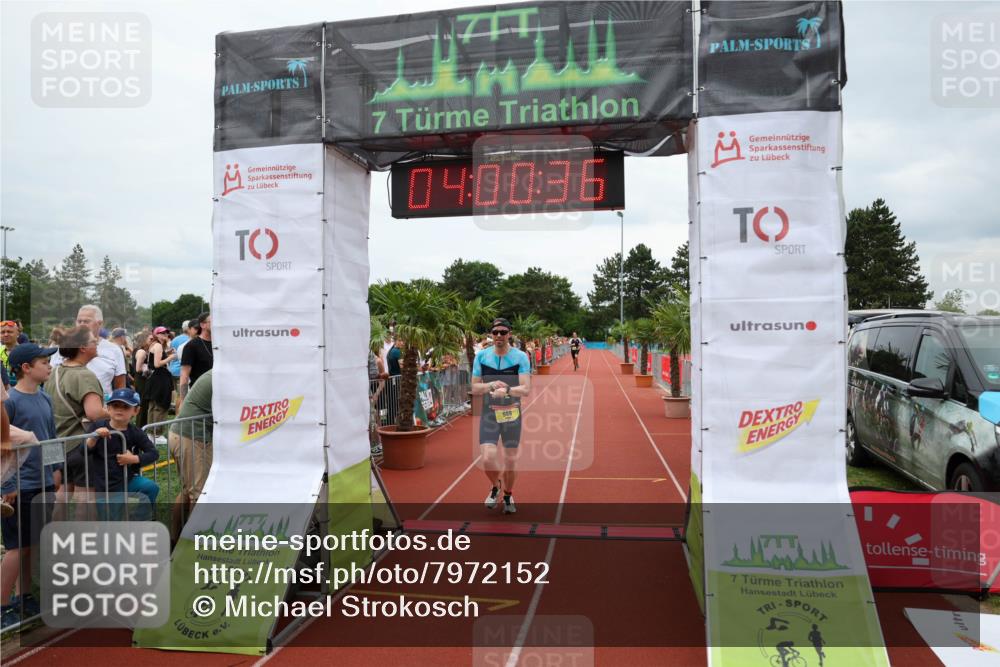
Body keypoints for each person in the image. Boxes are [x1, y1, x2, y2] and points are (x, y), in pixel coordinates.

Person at [1, 343, 59, 629]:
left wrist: (56, 471)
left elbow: (51, 436)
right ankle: (2, 606)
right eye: (43, 362)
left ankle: (22, 597)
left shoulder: (45, 399)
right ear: (26, 368)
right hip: (19, 487)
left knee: (32, 545)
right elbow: (2, 446)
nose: (49, 366)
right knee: (16, 547)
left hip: (44, 482)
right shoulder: (9, 401)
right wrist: (7, 484)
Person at [471, 318, 531, 515]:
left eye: (503, 332)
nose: (499, 336)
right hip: (489, 413)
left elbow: (526, 389)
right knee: (488, 457)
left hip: (511, 413)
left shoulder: (520, 357)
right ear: (491, 334)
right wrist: (490, 385)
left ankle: (507, 494)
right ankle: (496, 485)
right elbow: (474, 387)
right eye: (495, 332)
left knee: (510, 461)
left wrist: (506, 391)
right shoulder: (481, 356)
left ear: (509, 334)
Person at [49, 326, 108, 492]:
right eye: (93, 341)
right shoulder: (84, 375)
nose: (96, 343)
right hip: (79, 444)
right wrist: (113, 414)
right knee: (86, 497)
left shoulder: (54, 371)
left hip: (56, 444)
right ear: (82, 348)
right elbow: (94, 413)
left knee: (61, 494)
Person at [84, 388, 159, 520]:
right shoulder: (98, 426)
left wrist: (133, 459)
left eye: (125, 407)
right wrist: (94, 437)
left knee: (151, 488)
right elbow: (82, 451)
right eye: (115, 405)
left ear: (135, 411)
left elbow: (153, 453)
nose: (119, 409)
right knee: (112, 522)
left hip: (127, 480)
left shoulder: (135, 432)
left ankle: (137, 520)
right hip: (106, 486)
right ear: (108, 408)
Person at [168, 369, 212, 542]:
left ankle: (175, 539)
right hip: (192, 437)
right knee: (199, 495)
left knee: (188, 491)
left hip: (186, 434)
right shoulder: (222, 378)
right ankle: (189, 546)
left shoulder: (217, 374)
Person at [51, 305, 127, 395]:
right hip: (69, 405)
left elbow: (120, 385)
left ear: (100, 323)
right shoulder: (63, 347)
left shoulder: (114, 349)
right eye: (79, 321)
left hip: (102, 405)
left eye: (86, 321)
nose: (82, 324)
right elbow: (51, 377)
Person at [178, 312, 212, 412]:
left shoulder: (218, 343)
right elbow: (184, 375)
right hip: (200, 396)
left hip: (218, 395)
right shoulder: (191, 346)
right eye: (212, 321)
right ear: (203, 325)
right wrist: (183, 400)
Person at [144, 327, 175, 425]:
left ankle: (151, 432)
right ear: (156, 334)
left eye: (166, 333)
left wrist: (166, 354)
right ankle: (157, 433)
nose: (165, 335)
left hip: (155, 378)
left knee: (153, 406)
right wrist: (171, 357)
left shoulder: (155, 345)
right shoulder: (158, 346)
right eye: (162, 333)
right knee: (160, 406)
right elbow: (157, 364)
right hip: (159, 378)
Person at [131, 333, 151, 428]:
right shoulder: (141, 352)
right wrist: (149, 370)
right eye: (149, 339)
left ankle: (141, 425)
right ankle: (141, 426)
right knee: (143, 404)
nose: (151, 341)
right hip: (142, 380)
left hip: (140, 379)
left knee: (142, 403)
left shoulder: (137, 350)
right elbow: (138, 368)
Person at [170, 320, 191, 398]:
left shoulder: (175, 339)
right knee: (182, 396)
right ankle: (179, 410)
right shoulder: (189, 340)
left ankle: (177, 410)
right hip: (182, 371)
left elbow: (171, 353)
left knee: (178, 395)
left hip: (173, 369)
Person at [0, 321, 19, 386]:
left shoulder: (25, 351)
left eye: (9, 332)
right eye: (2, 332)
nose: (6, 334)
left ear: (17, 334)